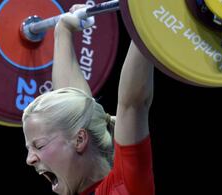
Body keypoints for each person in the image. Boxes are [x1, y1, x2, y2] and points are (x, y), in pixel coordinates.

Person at [22, 4, 155, 195]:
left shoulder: (124, 188)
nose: (29, 159)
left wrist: (149, 18)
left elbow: (133, 104)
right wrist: (64, 29)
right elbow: (72, 105)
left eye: (39, 145)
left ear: (80, 139)